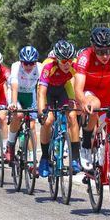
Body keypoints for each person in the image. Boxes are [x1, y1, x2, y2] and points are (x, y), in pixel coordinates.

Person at [75, 26, 110, 200]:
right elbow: (78, 88)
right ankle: (86, 144)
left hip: (108, 93)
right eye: (100, 51)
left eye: (108, 51)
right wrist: (83, 102)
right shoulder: (84, 58)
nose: (105, 56)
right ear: (93, 47)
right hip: (90, 92)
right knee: (95, 106)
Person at [36, 40, 81, 176]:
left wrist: (79, 103)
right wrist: (41, 112)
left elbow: (78, 86)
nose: (67, 64)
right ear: (57, 59)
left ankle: (75, 158)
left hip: (62, 88)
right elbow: (41, 92)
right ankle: (44, 158)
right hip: (48, 91)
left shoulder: (74, 66)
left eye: (69, 60)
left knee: (72, 116)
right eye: (63, 61)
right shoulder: (48, 67)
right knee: (48, 121)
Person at [6, 45, 41, 163]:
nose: (29, 66)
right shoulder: (16, 66)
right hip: (16, 93)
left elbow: (41, 88)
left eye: (32, 63)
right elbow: (14, 86)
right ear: (21, 62)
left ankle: (32, 158)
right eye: (25, 63)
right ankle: (10, 145)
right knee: (19, 115)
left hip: (30, 95)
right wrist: (14, 103)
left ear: (36, 62)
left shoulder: (40, 68)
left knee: (31, 126)